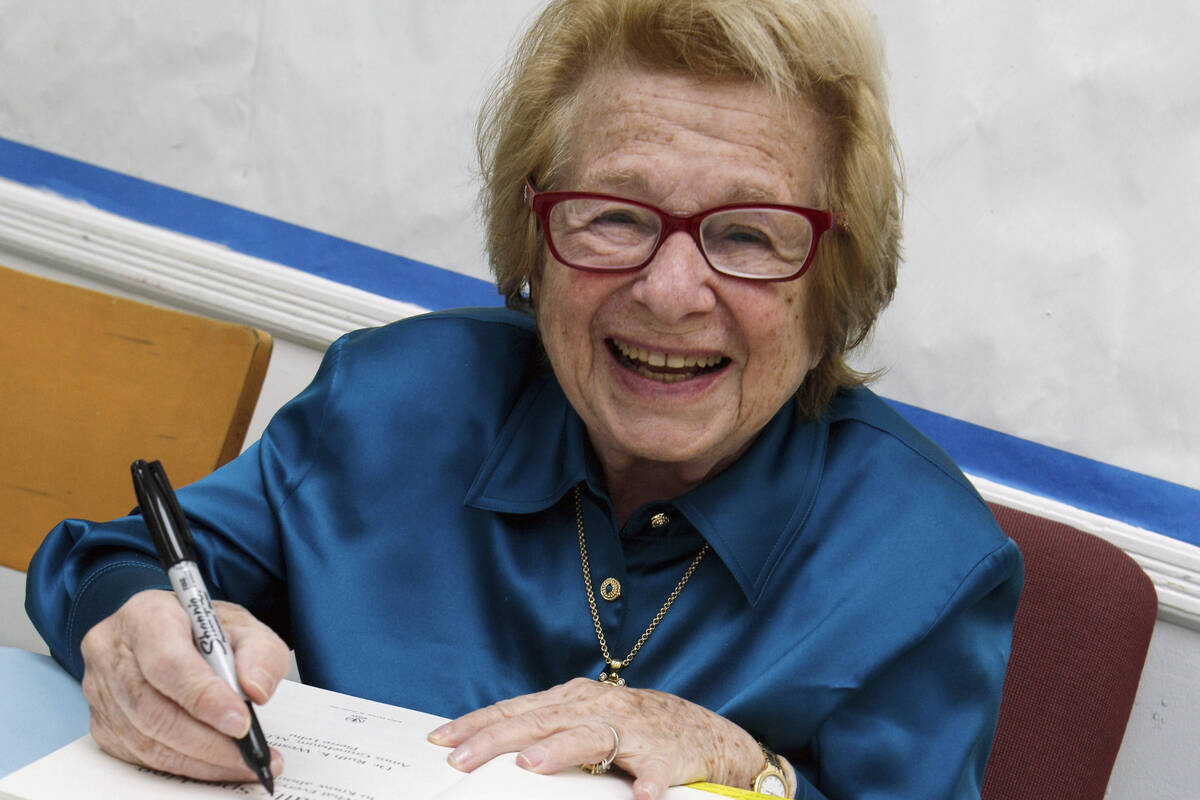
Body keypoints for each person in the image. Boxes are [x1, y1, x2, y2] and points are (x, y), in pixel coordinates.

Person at [25, 1, 1023, 798]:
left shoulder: (926, 563)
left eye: (749, 234)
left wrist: (741, 766)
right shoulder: (394, 401)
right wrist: (134, 625)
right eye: (615, 215)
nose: (671, 291)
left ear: (834, 277)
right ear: (535, 238)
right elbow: (119, 558)